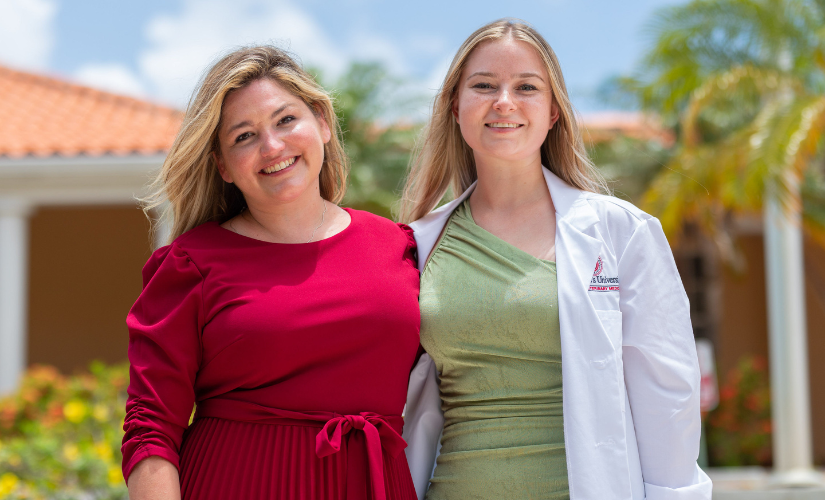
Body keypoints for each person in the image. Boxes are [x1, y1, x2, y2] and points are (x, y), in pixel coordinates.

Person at [400, 19, 712, 500]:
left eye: (527, 87)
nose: (504, 101)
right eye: (483, 85)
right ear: (454, 107)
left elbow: (667, 393)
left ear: (553, 114)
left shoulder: (621, 233)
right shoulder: (418, 245)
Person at [122, 46, 420, 500]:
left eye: (285, 121)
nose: (272, 147)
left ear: (321, 122)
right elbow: (151, 429)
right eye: (244, 136)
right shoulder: (190, 265)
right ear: (222, 165)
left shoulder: (400, 246)